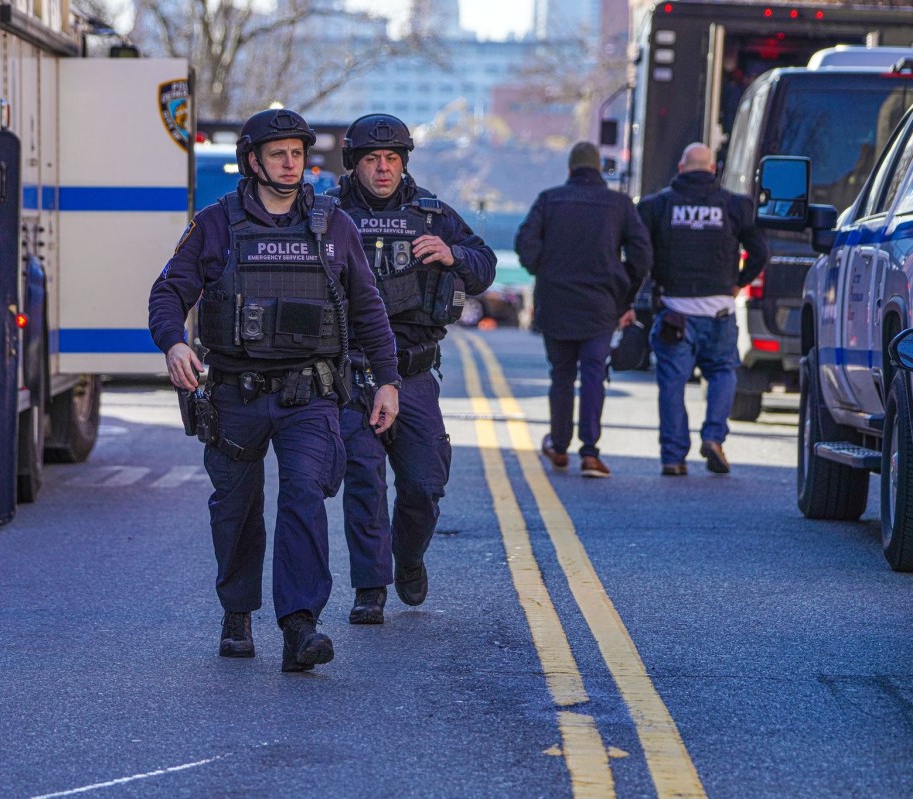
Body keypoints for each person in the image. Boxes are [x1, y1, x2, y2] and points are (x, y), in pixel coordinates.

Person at [147, 108, 400, 673]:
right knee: (235, 508)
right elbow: (168, 292)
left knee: (305, 497)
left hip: (309, 394)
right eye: (279, 154)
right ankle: (237, 612)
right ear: (253, 161)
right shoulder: (216, 224)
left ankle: (300, 626)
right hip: (236, 393)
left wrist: (387, 380)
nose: (291, 164)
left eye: (298, 154)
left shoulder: (336, 226)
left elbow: (368, 309)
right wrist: (174, 343)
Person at [326, 113, 496, 624]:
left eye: (393, 160)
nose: (383, 169)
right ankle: (370, 587)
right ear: (354, 164)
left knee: (424, 486)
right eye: (373, 160)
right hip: (351, 373)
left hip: (414, 374)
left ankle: (410, 558)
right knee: (364, 483)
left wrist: (453, 254)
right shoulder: (326, 214)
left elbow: (484, 265)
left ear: (404, 163)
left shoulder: (432, 214)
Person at [515, 141, 652, 478]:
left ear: (570, 169)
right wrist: (625, 295)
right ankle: (590, 453)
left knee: (561, 375)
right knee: (593, 375)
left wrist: (544, 270)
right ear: (599, 169)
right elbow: (642, 255)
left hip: (557, 302)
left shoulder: (550, 199)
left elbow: (525, 243)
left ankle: (559, 447)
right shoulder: (619, 204)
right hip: (602, 305)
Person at [637, 142, 769, 476]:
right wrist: (739, 281)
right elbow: (760, 252)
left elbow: (640, 254)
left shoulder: (657, 206)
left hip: (674, 313)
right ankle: (713, 437)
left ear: (681, 169)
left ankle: (673, 457)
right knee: (723, 373)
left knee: (672, 383)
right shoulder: (736, 206)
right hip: (720, 312)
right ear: (713, 170)